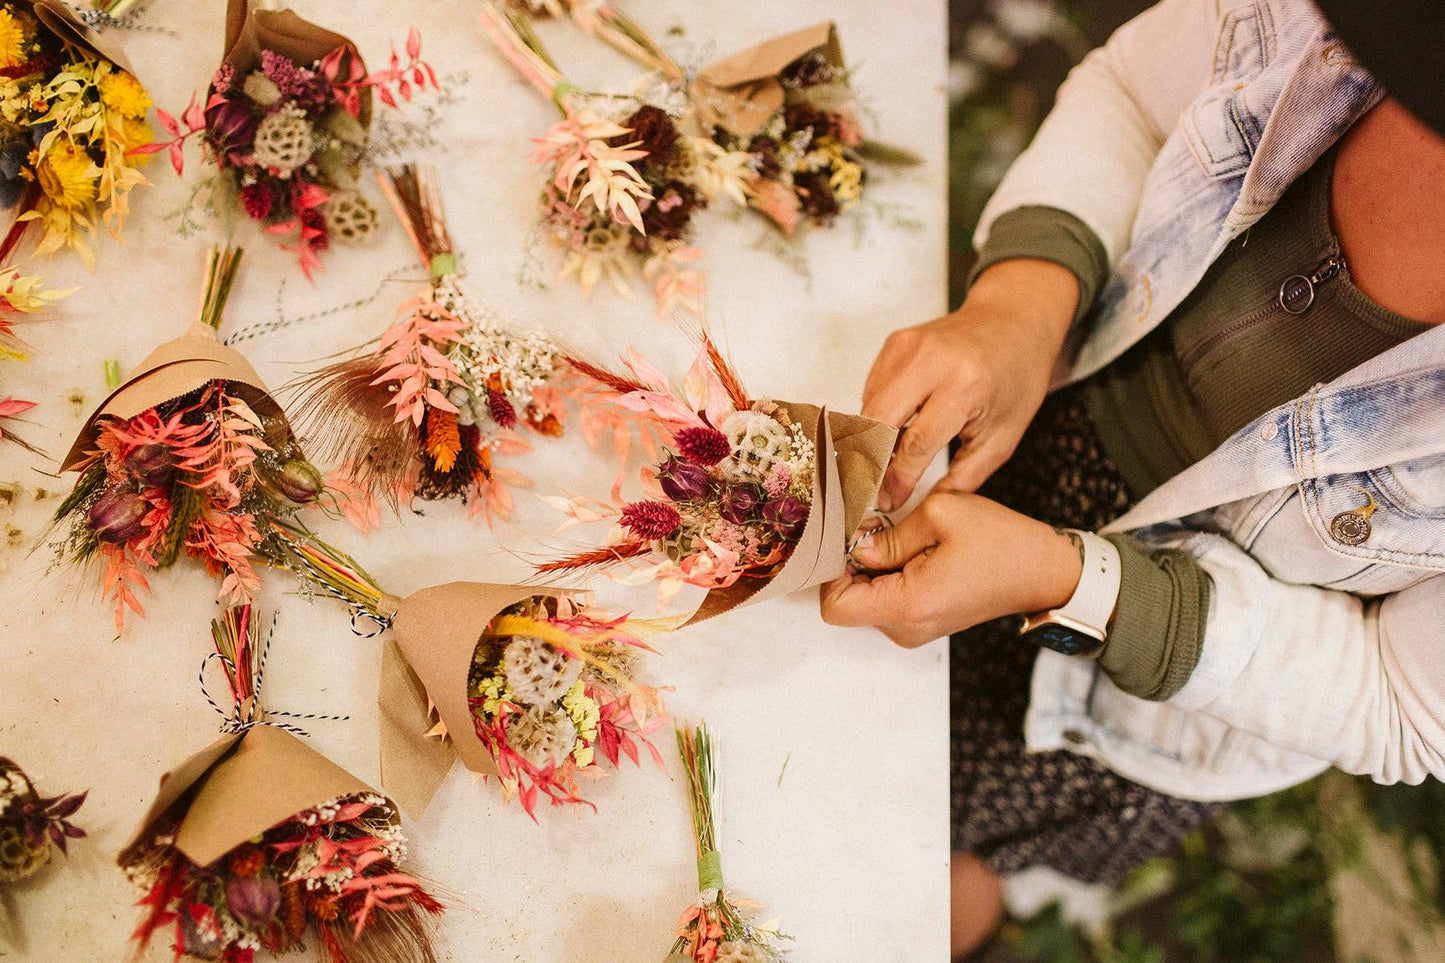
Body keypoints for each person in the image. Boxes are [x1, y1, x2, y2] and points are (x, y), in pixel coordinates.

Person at [817, 0, 1445, 957]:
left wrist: (1068, 583)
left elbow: (1401, 700)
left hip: (1150, 673)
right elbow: (1133, 93)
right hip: (1032, 410)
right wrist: (1022, 300)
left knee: (897, 842)